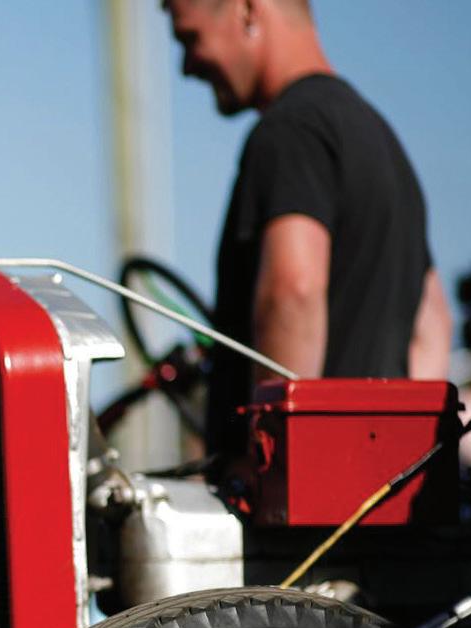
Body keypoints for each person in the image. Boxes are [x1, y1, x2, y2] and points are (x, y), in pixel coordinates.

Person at [163, 0, 452, 453]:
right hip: (374, 481)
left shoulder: (290, 131)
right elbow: (432, 323)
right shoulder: (379, 139)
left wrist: (275, 459)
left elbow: (293, 290)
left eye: (190, 39)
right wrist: (396, 456)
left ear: (247, 11)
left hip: (304, 489)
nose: (186, 67)